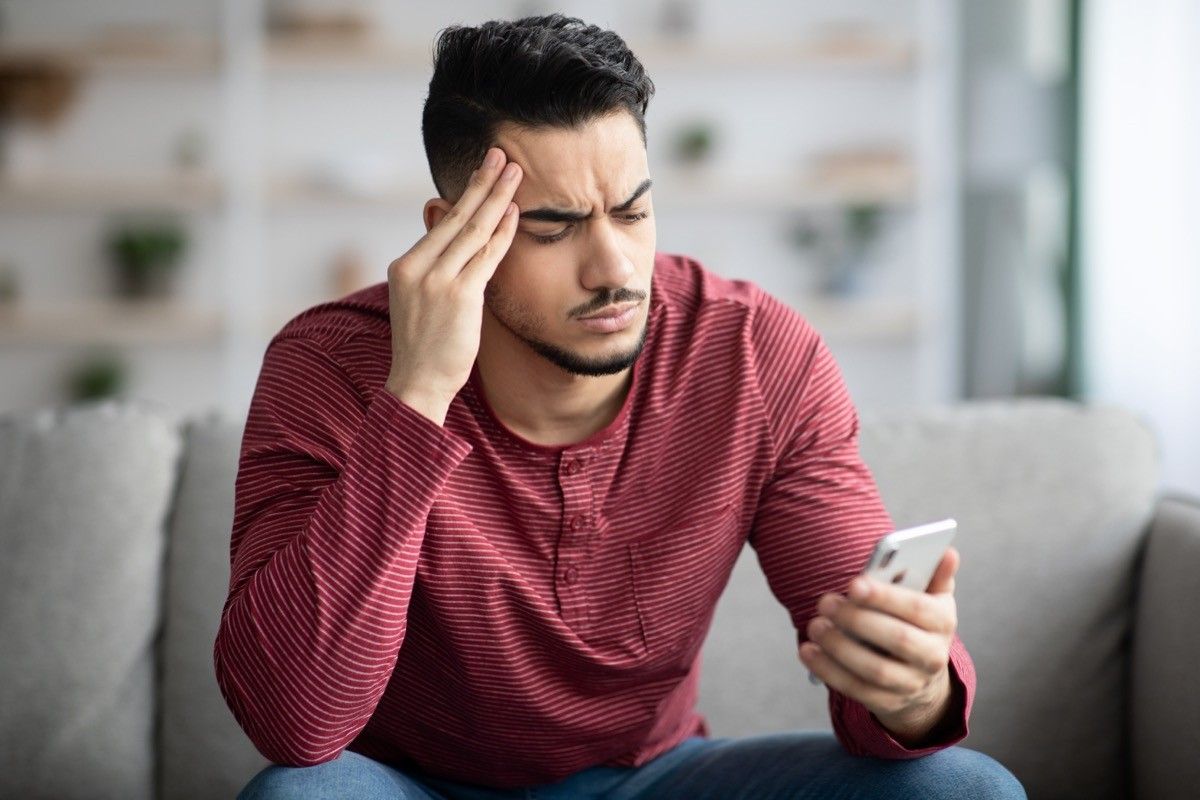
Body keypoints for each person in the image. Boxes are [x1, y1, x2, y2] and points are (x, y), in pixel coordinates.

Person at [220, 13, 1027, 800]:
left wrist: (913, 690)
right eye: (552, 228)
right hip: (410, 783)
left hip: (657, 776)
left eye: (633, 212)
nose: (614, 269)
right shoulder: (328, 365)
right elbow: (297, 727)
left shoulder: (750, 354)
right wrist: (418, 396)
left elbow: (882, 664)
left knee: (966, 789)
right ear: (452, 233)